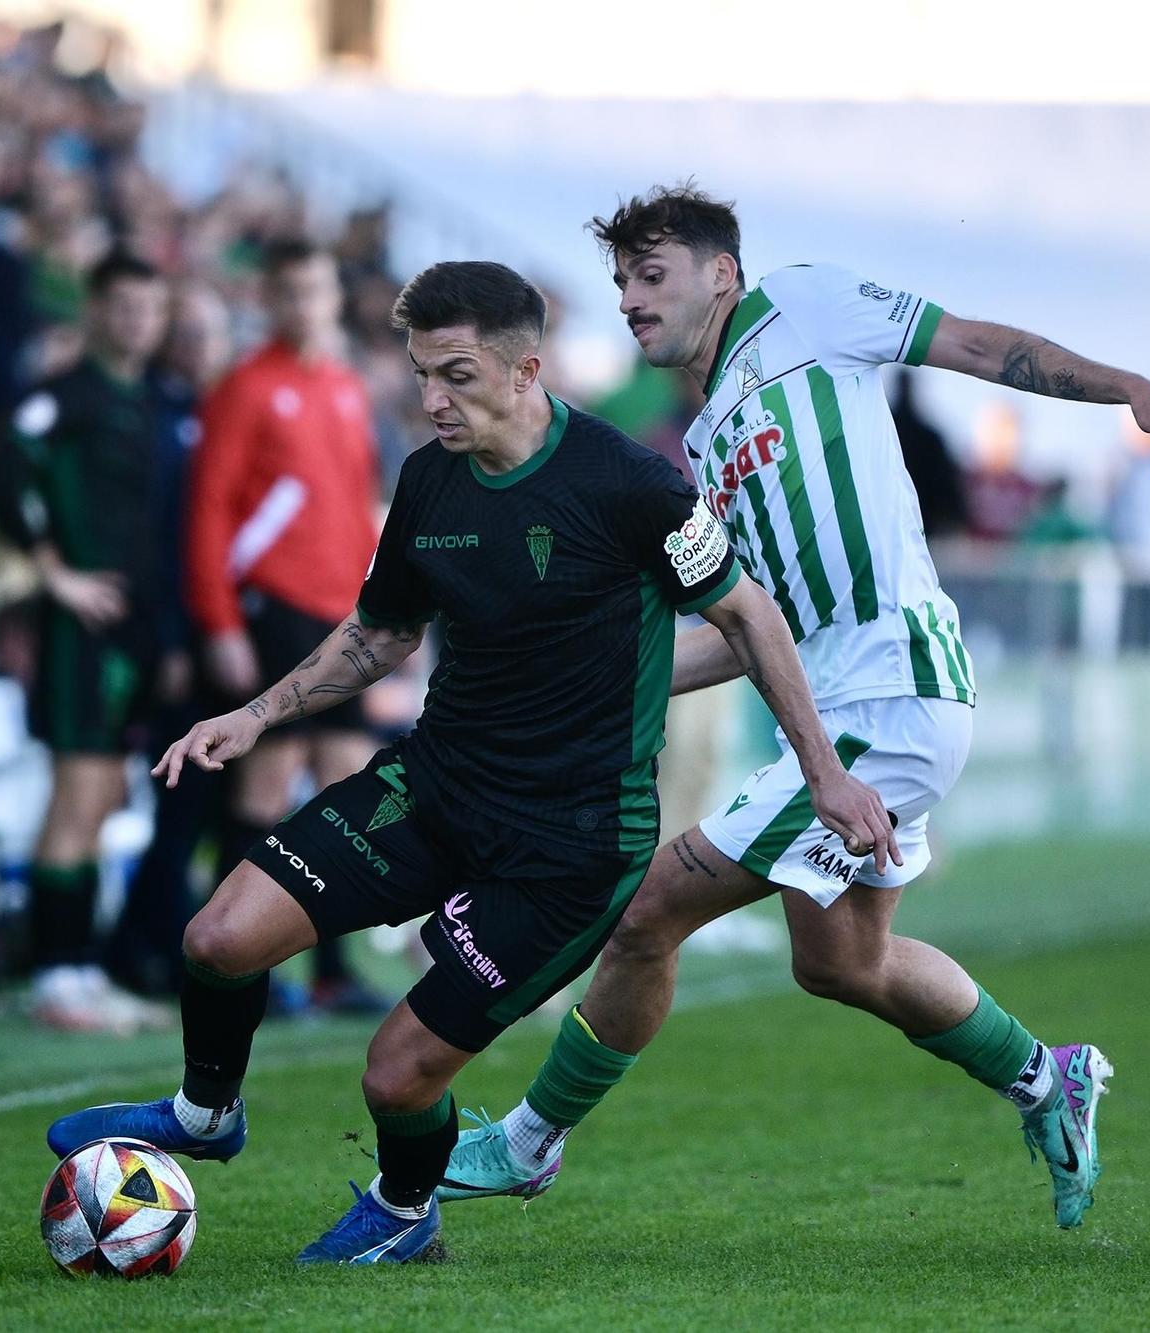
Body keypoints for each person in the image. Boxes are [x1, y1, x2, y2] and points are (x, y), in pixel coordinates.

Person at [42, 259, 866, 1264]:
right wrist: (254, 715)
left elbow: (748, 615)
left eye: (457, 375)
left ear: (526, 371)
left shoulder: (632, 486)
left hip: (568, 842)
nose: (431, 399)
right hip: (434, 786)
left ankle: (401, 1209)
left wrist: (822, 772)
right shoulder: (430, 474)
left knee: (394, 1079)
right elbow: (380, 636)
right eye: (422, 373)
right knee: (216, 937)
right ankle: (206, 1112)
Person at [442, 186, 1150, 1229]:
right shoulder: (705, 440)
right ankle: (1045, 1078)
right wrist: (597, 678)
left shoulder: (804, 306)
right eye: (619, 281)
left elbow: (977, 347)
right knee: (840, 960)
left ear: (720, 273)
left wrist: (1119, 384)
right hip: (860, 704)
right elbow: (755, 632)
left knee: (644, 913)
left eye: (649, 275)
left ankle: (526, 1144)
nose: (628, 298)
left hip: (891, 695)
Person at [183, 237, 389, 1016]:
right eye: (292, 291)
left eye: (318, 290)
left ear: (335, 299)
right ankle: (227, 959)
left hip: (342, 616)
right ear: (271, 300)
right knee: (264, 788)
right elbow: (209, 508)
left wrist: (382, 608)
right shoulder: (245, 386)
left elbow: (357, 500)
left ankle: (332, 968)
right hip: (275, 604)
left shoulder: (343, 386)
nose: (306, 305)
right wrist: (220, 620)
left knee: (345, 792)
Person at [0, 251, 188, 1034]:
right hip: (82, 630)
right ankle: (55, 976)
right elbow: (4, 471)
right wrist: (54, 573)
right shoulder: (60, 398)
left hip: (140, 630)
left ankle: (78, 967)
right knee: (77, 793)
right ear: (96, 310)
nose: (138, 320)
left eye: (151, 306)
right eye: (124, 305)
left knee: (103, 797)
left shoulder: (161, 400)